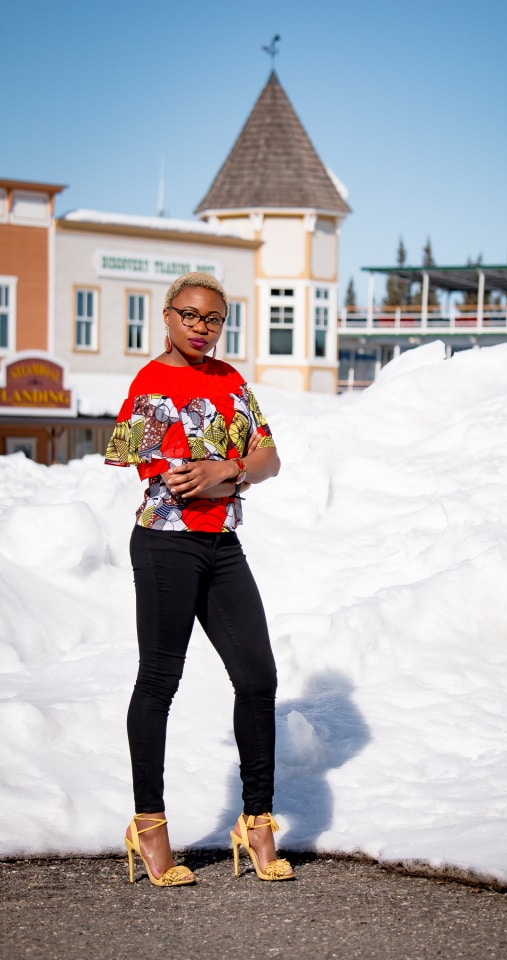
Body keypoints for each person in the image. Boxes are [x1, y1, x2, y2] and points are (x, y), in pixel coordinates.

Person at [105, 272, 294, 885]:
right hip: (166, 546)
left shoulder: (231, 380)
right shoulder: (151, 383)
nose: (200, 326)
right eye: (188, 315)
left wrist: (231, 467)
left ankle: (257, 821)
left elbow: (270, 459)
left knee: (258, 677)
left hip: (222, 545)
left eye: (212, 318)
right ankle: (149, 827)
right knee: (160, 682)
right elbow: (178, 476)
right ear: (167, 317)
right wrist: (226, 473)